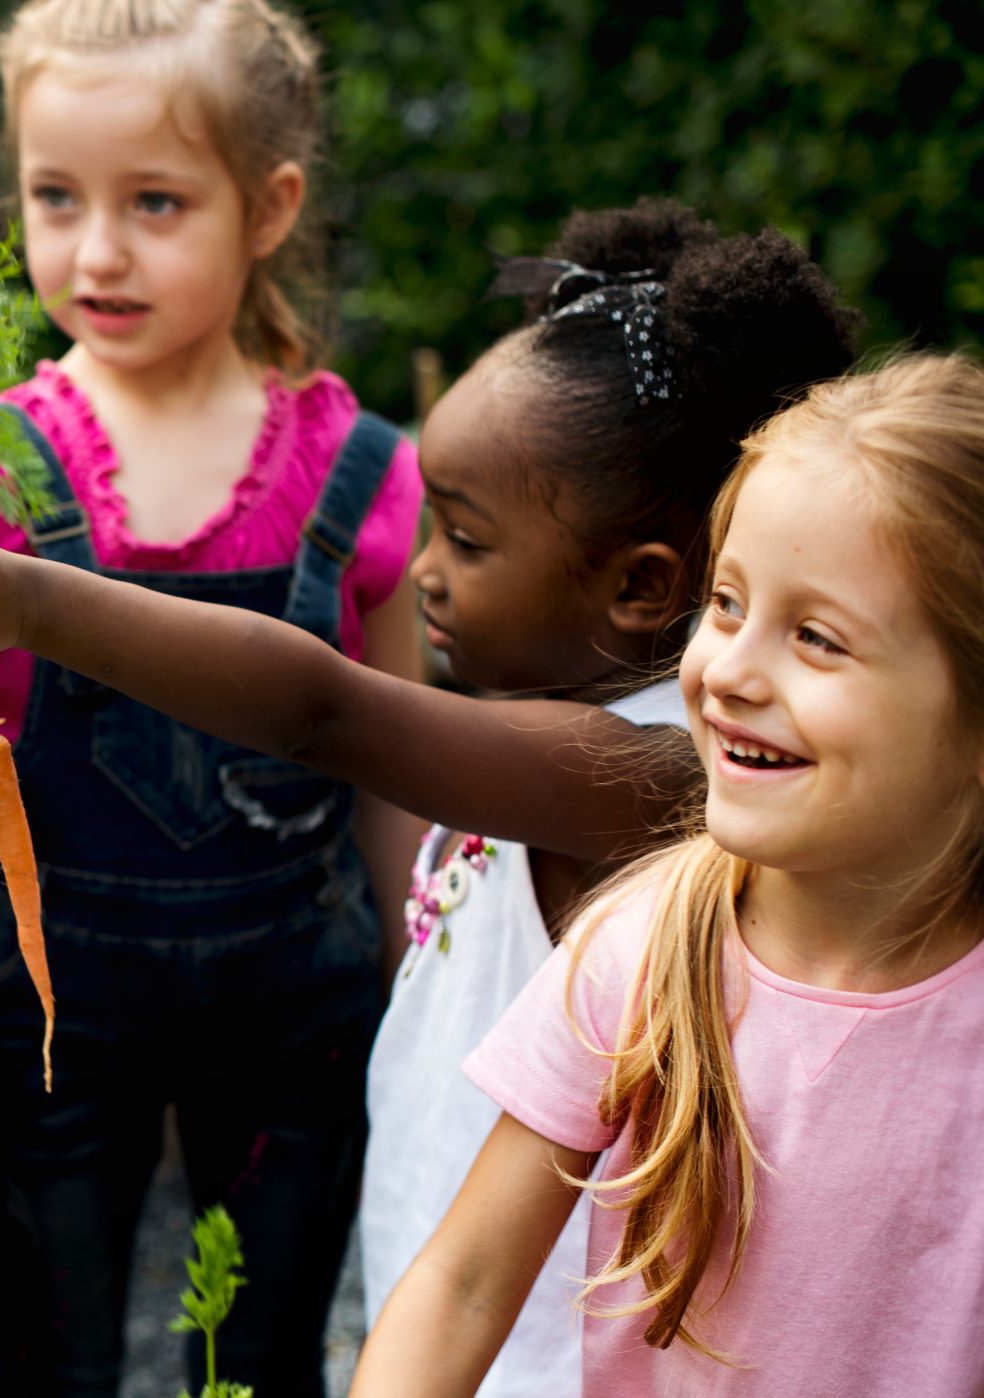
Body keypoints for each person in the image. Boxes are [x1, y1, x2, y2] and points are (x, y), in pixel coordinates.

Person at [0, 200, 859, 1395]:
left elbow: (320, 711)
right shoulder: (539, 735)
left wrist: (31, 604)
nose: (422, 571)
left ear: (638, 588)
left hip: (530, 1355)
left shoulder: (652, 777)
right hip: (443, 1305)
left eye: (465, 541)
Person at [0, 2, 428, 1392]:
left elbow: (400, 758)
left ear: (269, 208)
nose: (95, 252)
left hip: (297, 1011)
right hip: (53, 1009)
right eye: (54, 197)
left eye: (155, 202)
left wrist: (417, 982)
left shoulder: (360, 470)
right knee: (49, 1355)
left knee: (260, 1356)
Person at [350, 352, 984, 1395]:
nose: (727, 671)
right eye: (725, 604)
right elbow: (461, 1286)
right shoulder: (640, 947)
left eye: (815, 638)